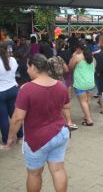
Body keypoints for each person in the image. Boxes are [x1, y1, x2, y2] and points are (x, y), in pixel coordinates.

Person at [6, 54, 70, 192]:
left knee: (34, 174)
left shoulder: (26, 89)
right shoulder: (60, 85)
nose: (27, 70)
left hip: (37, 138)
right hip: (60, 133)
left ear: (34, 67)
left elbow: (17, 118)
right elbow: (66, 106)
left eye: (28, 67)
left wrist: (11, 138)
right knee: (58, 169)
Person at [0, 41, 23, 149]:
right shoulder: (13, 60)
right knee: (15, 115)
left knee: (3, 118)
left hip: (1, 93)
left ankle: (6, 141)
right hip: (13, 90)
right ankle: (20, 137)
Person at [47, 53, 78, 131]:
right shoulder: (59, 58)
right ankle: (69, 122)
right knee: (64, 104)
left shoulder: (44, 61)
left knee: (53, 104)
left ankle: (58, 123)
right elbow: (66, 69)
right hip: (61, 82)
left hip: (50, 83)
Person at [69, 41, 95, 126]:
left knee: (83, 101)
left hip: (80, 83)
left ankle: (89, 119)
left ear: (78, 48)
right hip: (90, 82)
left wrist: (73, 55)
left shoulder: (77, 57)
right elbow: (95, 66)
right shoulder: (91, 57)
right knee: (88, 100)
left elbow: (70, 66)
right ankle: (86, 116)